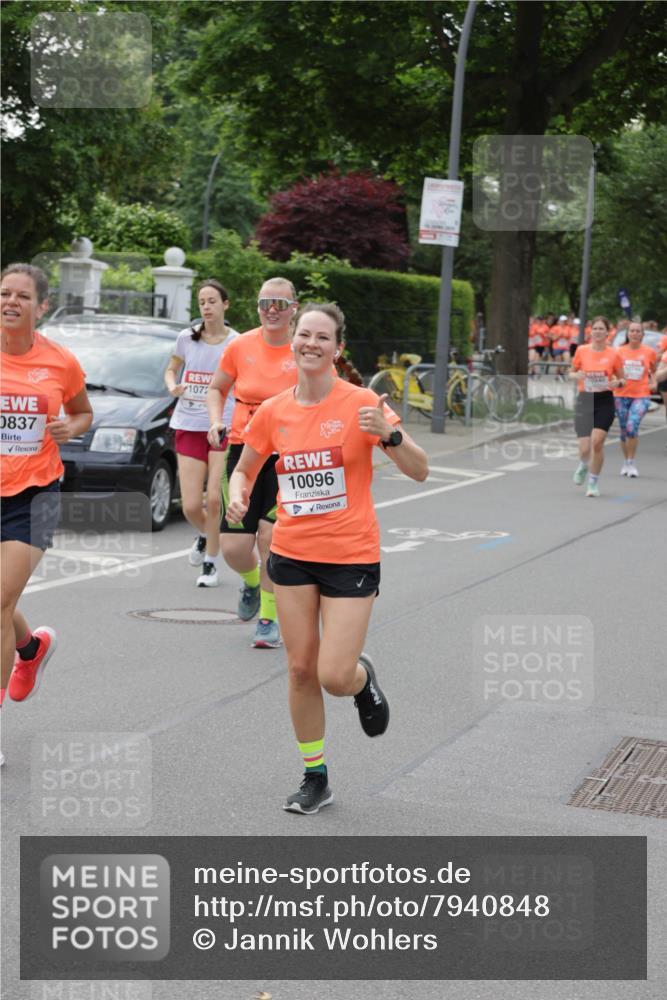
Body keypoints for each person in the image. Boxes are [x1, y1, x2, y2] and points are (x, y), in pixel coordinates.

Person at [225, 302, 428, 814]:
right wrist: (238, 490)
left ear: (338, 348)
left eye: (323, 337)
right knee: (299, 669)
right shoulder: (274, 411)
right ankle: (315, 775)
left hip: (350, 555)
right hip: (292, 553)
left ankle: (360, 679)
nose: (311, 343)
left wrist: (391, 435)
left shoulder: (361, 403)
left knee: (332, 675)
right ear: (293, 342)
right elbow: (245, 467)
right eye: (304, 335)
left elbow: (420, 469)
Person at [1, 264, 93, 758]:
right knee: (0, 601)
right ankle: (30, 650)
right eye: (3, 294)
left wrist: (70, 429)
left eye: (21, 296)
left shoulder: (59, 362)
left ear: (40, 307)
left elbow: (82, 412)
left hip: (33, 494)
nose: (10, 302)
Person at [207, 277, 299, 647]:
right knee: (233, 547)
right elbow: (217, 388)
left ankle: (267, 617)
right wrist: (216, 420)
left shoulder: (304, 348)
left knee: (269, 536)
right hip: (245, 451)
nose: (271, 309)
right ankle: (249, 584)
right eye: (265, 303)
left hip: (289, 457)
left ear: (294, 307)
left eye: (279, 302)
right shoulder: (240, 345)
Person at [165, 279, 238, 587]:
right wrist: (173, 386)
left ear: (225, 304)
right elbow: (171, 369)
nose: (206, 307)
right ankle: (203, 535)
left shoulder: (236, 342)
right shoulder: (186, 338)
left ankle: (210, 564)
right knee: (192, 505)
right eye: (202, 302)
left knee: (215, 500)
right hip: (188, 423)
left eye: (212, 301)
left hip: (223, 425)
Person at [569, 316, 624, 497]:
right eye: (595, 328)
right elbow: (571, 372)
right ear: (590, 332)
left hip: (604, 400)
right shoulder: (581, 351)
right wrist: (576, 376)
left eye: (601, 328)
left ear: (608, 332)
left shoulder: (614, 354)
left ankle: (593, 482)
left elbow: (621, 378)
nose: (598, 331)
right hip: (585, 399)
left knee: (597, 442)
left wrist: (617, 383)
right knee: (585, 448)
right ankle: (584, 465)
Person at [614, 319, 656, 477]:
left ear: (642, 335)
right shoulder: (618, 351)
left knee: (632, 426)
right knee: (624, 430)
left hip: (642, 395)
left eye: (638, 331)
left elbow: (653, 371)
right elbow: (612, 371)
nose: (635, 333)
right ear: (628, 333)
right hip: (620, 395)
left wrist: (653, 382)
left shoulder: (649, 352)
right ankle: (626, 462)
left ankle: (631, 463)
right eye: (632, 331)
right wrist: (615, 380)